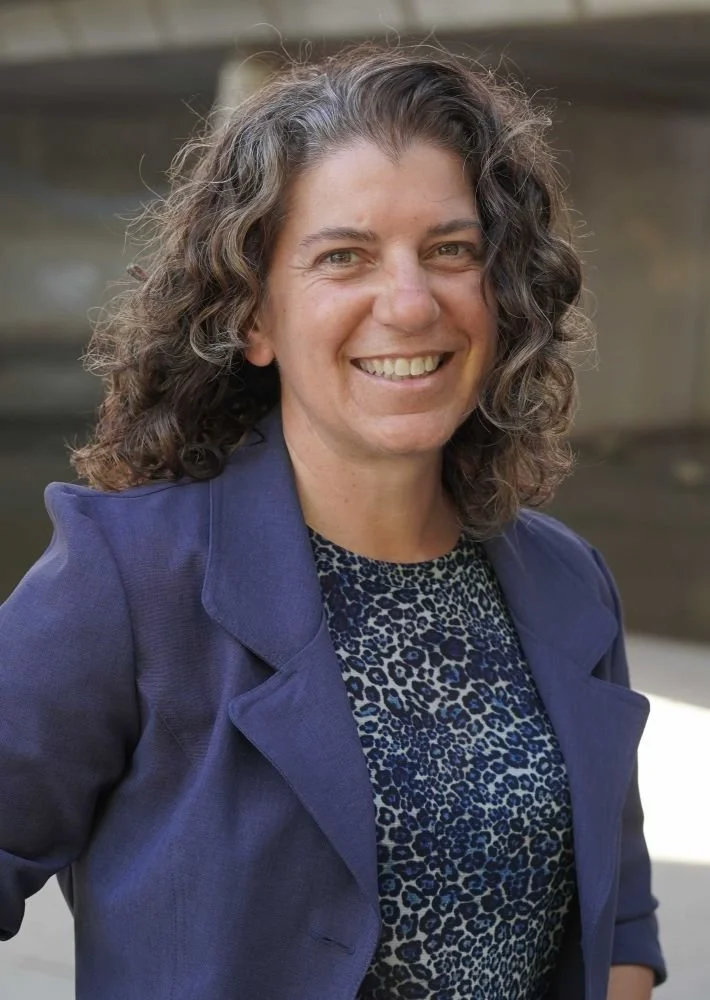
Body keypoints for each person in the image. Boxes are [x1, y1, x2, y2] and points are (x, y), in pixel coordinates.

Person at [0, 44, 665, 1000]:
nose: (409, 302)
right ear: (254, 318)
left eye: (452, 250)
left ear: (503, 292)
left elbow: (621, 926)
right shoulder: (129, 578)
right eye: (343, 257)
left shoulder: (569, 583)